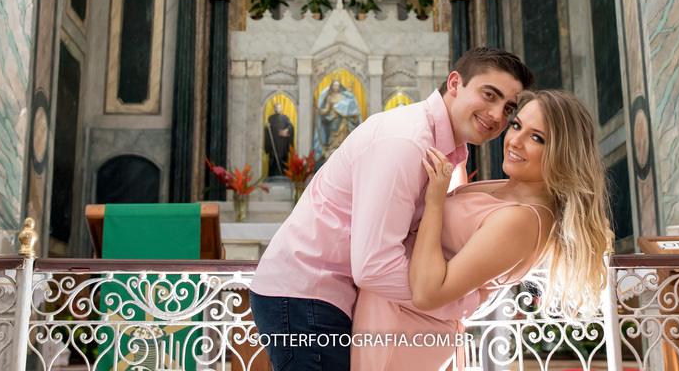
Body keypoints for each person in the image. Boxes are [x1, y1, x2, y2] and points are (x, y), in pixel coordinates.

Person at [250, 47, 535, 371]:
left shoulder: (450, 149)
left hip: (330, 295)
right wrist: (456, 302)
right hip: (307, 294)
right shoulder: (408, 142)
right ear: (455, 84)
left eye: (508, 107)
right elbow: (374, 266)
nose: (498, 115)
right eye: (489, 95)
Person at [350, 89, 610, 370]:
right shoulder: (509, 189)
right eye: (516, 125)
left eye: (537, 138)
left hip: (402, 335)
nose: (515, 141)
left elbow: (428, 293)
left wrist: (435, 200)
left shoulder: (522, 220)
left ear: (563, 153)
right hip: (387, 318)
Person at [312, 77, 361, 161]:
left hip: (343, 121)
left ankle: (343, 149)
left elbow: (349, 107)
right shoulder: (329, 96)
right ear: (332, 86)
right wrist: (320, 111)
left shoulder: (344, 95)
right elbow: (327, 108)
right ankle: (333, 148)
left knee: (343, 136)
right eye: (335, 85)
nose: (336, 87)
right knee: (333, 137)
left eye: (338, 85)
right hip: (333, 120)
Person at [264, 99, 295, 178]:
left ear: (281, 109)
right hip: (273, 143)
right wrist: (267, 127)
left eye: (279, 108)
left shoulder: (285, 118)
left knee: (283, 159)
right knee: (273, 159)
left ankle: (283, 174)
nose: (278, 109)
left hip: (282, 144)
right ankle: (272, 175)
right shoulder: (270, 118)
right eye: (276, 108)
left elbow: (290, 126)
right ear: (274, 109)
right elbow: (268, 130)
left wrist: (286, 130)